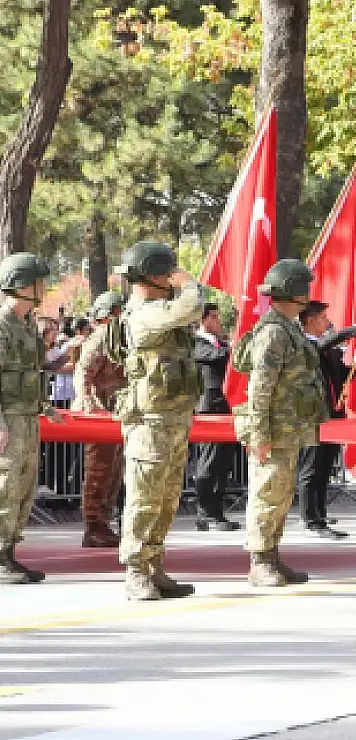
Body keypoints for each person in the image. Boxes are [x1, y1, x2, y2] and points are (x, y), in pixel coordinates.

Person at [114, 241, 204, 601]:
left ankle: (154, 565)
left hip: (171, 417)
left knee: (166, 499)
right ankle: (135, 569)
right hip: (149, 420)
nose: (172, 276)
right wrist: (189, 282)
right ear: (152, 274)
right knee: (144, 497)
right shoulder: (144, 313)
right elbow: (191, 306)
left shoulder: (159, 309)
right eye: (166, 271)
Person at [233, 260, 326, 587]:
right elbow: (260, 386)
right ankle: (259, 561)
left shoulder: (288, 327)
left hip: (288, 427)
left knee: (281, 494)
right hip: (273, 428)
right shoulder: (274, 331)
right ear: (295, 292)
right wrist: (259, 434)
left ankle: (271, 555)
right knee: (267, 492)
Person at [0, 254, 62, 584]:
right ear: (23, 285)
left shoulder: (25, 324)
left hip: (26, 416)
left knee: (23, 488)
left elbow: (31, 372)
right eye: (38, 283)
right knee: (6, 486)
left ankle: (8, 552)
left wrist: (46, 407)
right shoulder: (2, 325)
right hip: (9, 419)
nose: (42, 288)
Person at [298, 300, 356, 540]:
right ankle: (310, 518)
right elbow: (319, 349)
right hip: (313, 414)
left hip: (333, 413)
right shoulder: (304, 344)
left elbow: (341, 376)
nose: (327, 322)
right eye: (322, 317)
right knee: (311, 467)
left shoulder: (328, 348)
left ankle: (321, 514)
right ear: (309, 320)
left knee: (326, 466)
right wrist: (351, 331)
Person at [73, 290, 127, 548]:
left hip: (115, 414)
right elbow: (83, 373)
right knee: (99, 471)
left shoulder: (119, 338)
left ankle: (102, 523)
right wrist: (90, 405)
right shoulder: (101, 338)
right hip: (100, 414)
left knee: (114, 472)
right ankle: (93, 525)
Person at [192, 303, 240, 532]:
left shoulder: (220, 343)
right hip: (210, 408)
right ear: (203, 321)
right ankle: (205, 512)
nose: (219, 321)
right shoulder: (197, 343)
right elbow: (218, 357)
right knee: (209, 461)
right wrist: (238, 344)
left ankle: (217, 512)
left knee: (223, 463)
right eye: (214, 317)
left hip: (227, 407)